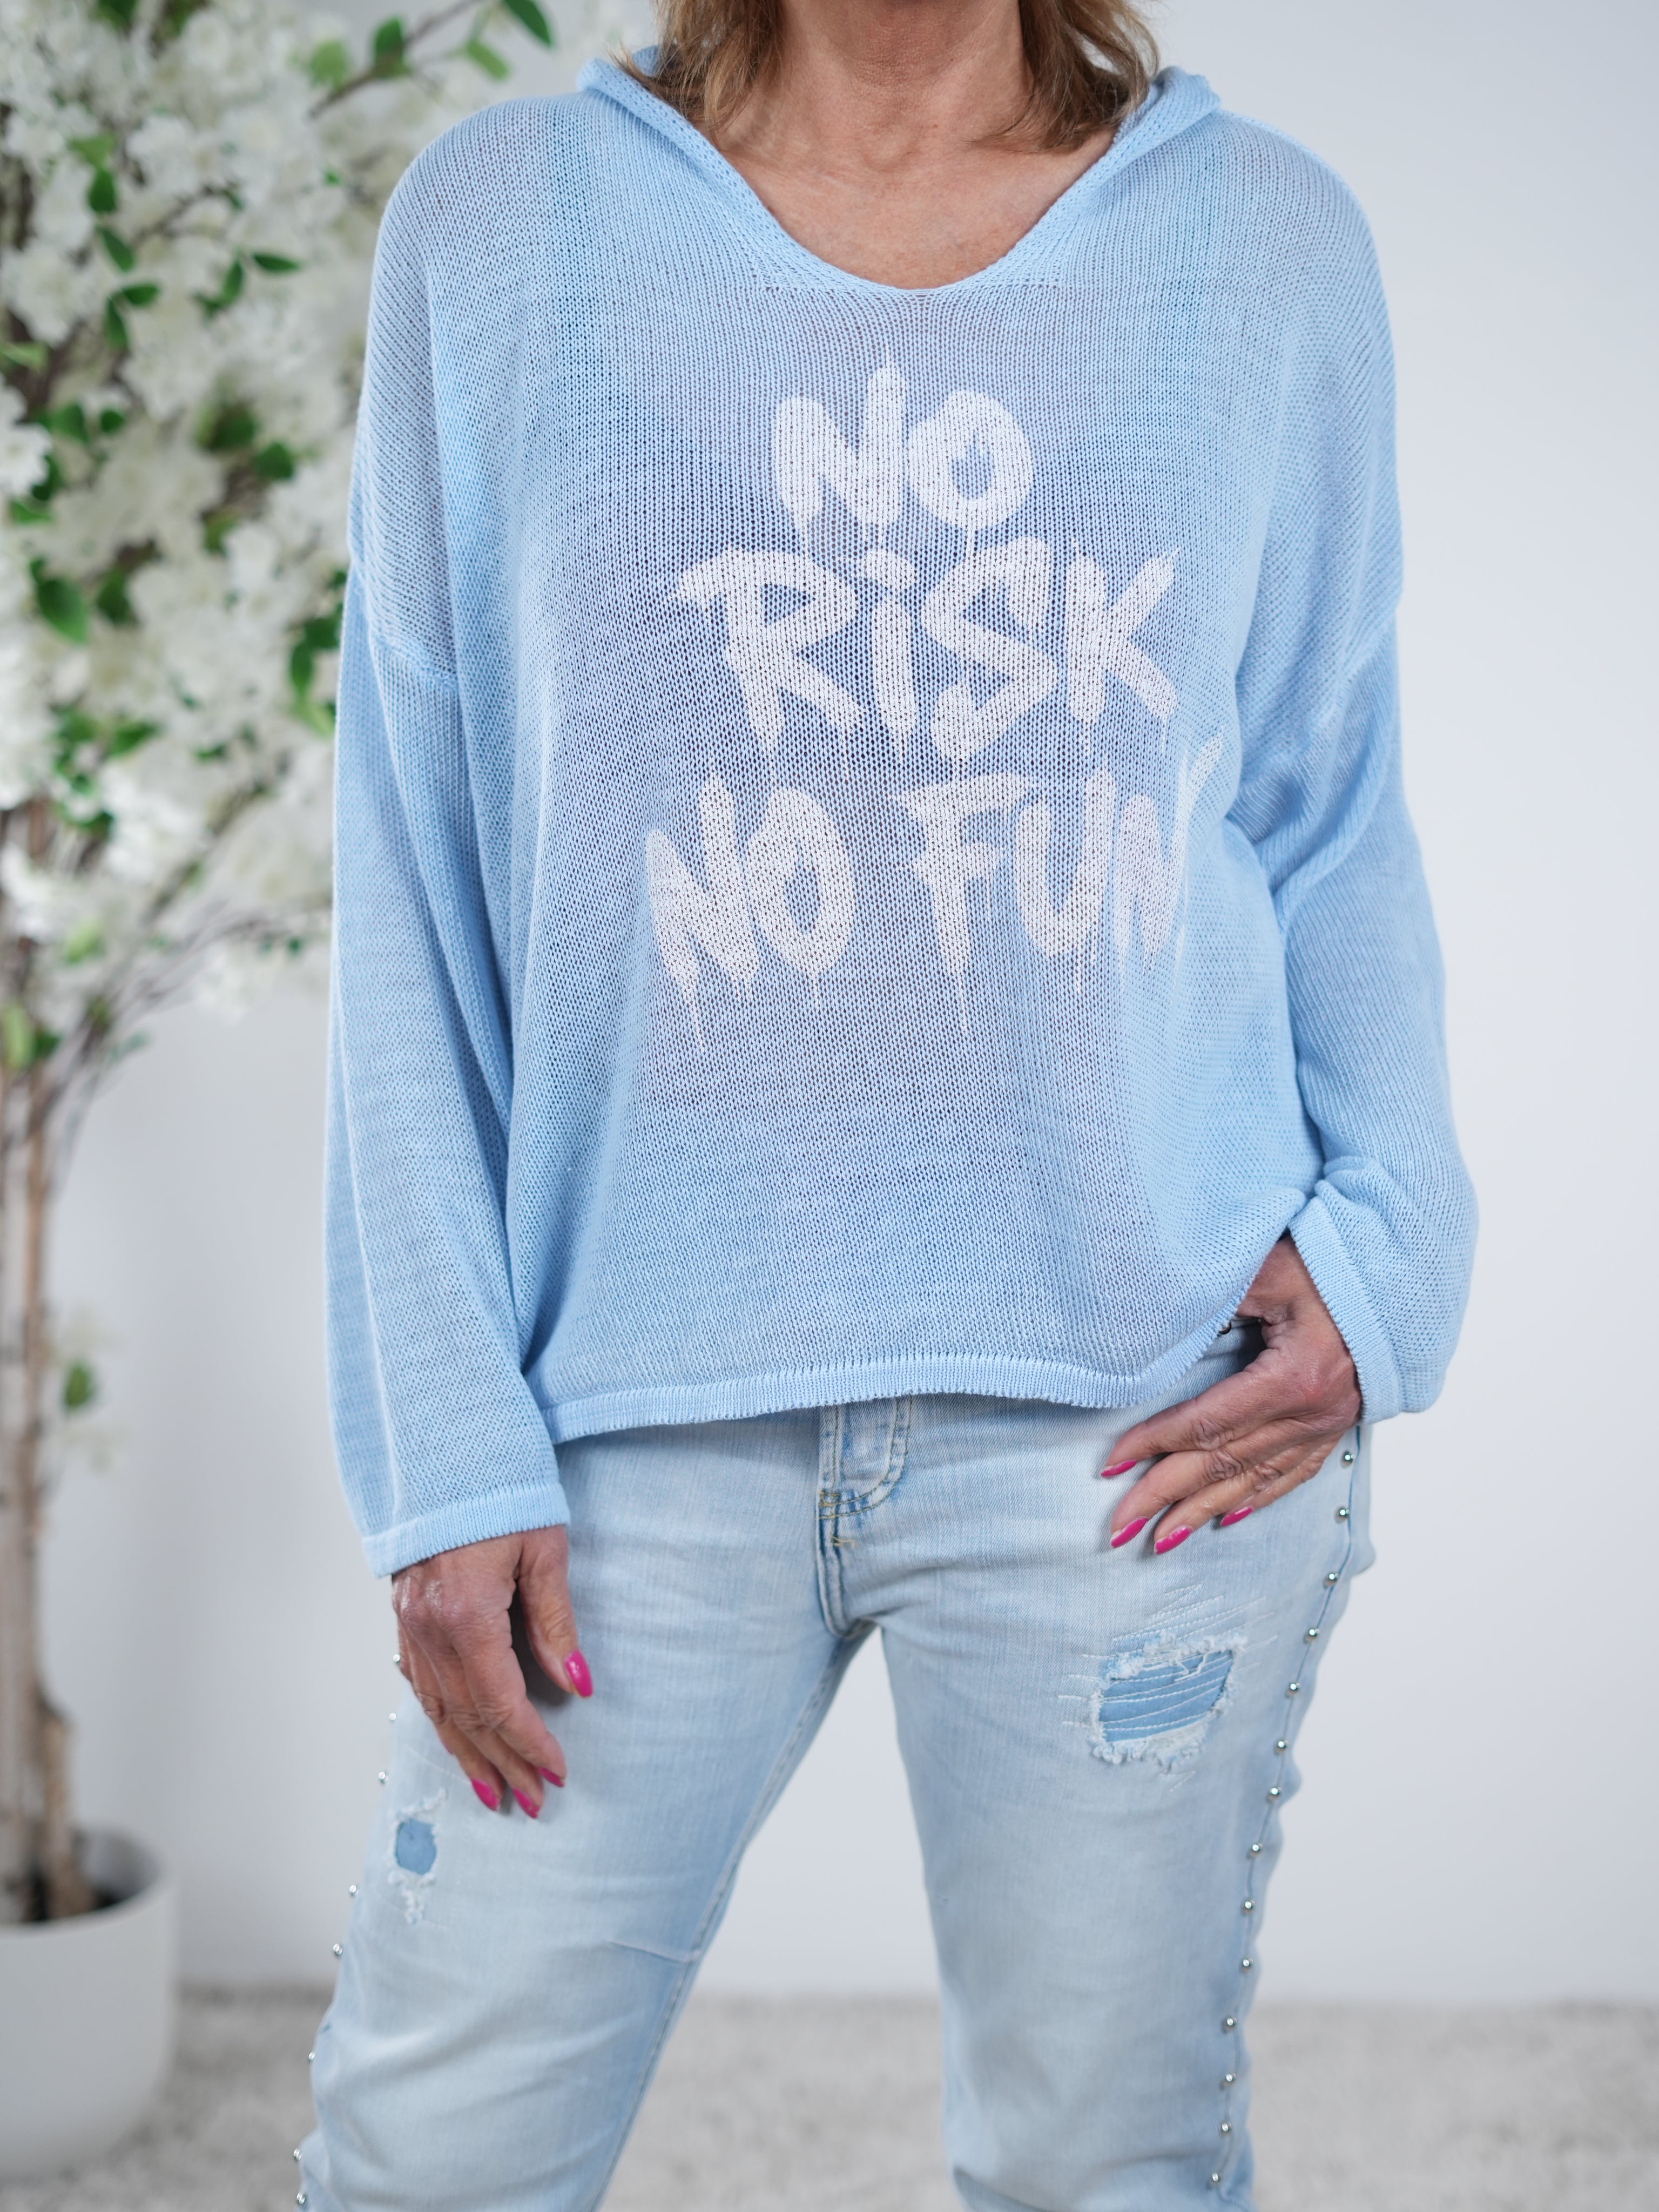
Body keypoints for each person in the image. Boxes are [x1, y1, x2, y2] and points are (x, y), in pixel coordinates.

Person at [301, 0, 1475, 2203]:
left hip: (1137, 1415)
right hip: (619, 1408)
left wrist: (1391, 1249)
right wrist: (438, 1435)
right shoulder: (506, 231)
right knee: (431, 2160)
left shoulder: (1262, 246)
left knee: (1101, 2166)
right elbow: (414, 852)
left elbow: (1327, 797)